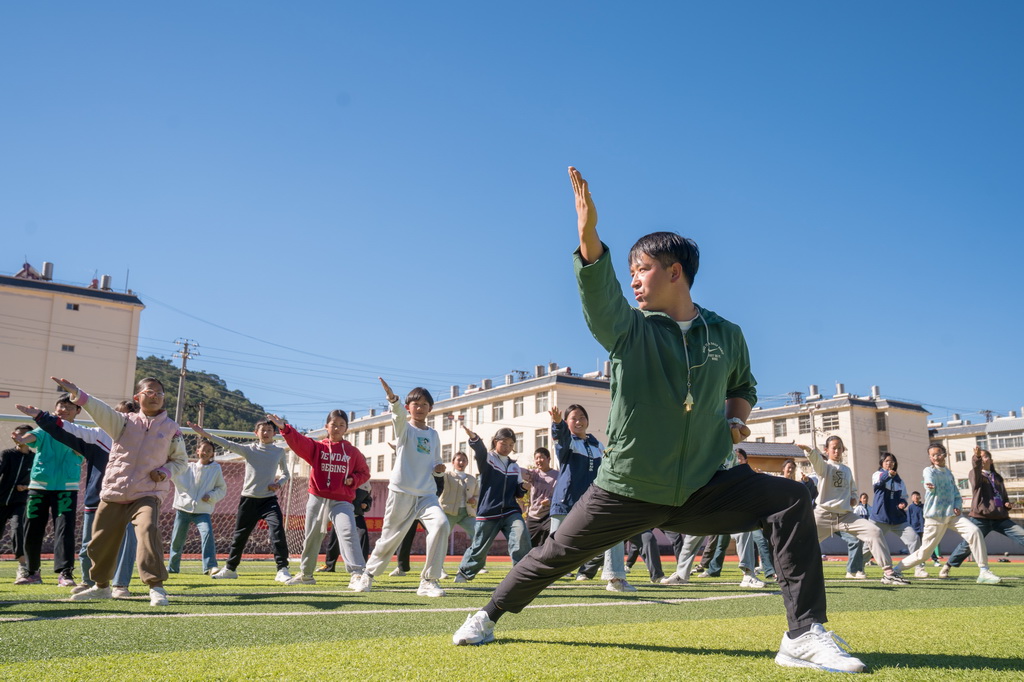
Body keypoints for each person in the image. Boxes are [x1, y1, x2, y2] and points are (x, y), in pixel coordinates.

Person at [454, 167, 865, 674]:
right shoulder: (631, 330)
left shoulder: (727, 333)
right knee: (554, 553)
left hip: (706, 483)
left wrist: (736, 420)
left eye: (642, 268)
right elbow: (601, 302)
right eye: (629, 271)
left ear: (675, 272)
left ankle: (802, 635)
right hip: (629, 485)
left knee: (791, 498)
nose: (633, 280)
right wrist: (588, 242)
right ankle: (488, 614)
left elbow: (743, 386)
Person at [56, 376, 187, 607]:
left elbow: (180, 461)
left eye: (159, 393)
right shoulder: (123, 422)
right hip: (115, 492)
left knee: (148, 529)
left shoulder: (171, 429)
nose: (155, 396)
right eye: (149, 392)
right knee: (100, 541)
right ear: (138, 397)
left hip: (148, 492)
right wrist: (79, 393)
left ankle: (156, 587)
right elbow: (100, 410)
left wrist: (165, 472)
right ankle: (101, 587)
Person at [15, 401, 140, 596]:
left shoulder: (136, 439)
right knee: (83, 541)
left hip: (74, 488)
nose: (121, 419)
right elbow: (32, 438)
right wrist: (25, 434)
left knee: (118, 540)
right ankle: (37, 571)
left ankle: (114, 583)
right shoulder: (93, 434)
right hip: (47, 488)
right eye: (117, 414)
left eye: (69, 407)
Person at [358, 380, 450, 597]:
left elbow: (435, 464)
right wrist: (393, 400)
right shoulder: (404, 429)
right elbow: (397, 416)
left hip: (426, 494)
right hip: (401, 492)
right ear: (409, 407)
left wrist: (439, 470)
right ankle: (367, 575)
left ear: (431, 409)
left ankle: (428, 580)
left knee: (441, 525)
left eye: (425, 404)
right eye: (415, 404)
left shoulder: (434, 435)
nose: (420, 408)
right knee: (389, 538)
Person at [270, 411, 370, 588]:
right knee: (312, 537)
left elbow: (364, 473)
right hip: (317, 498)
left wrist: (353, 480)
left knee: (348, 532)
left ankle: (357, 574)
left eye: (341, 424)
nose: (337, 427)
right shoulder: (318, 448)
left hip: (342, 501)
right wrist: (284, 428)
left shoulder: (353, 452)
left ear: (346, 428)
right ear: (327, 426)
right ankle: (306, 574)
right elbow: (299, 442)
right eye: (334, 424)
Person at [190, 420, 292, 582]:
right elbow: (226, 443)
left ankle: (282, 569)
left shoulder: (278, 452)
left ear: (274, 433)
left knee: (277, 530)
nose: (265, 433)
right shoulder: (249, 450)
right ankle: (230, 569)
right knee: (240, 536)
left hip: (269, 501)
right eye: (262, 430)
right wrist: (204, 434)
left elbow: (286, 473)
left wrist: (278, 484)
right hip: (248, 501)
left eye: (269, 430)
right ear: (255, 433)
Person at [800, 438, 908, 587]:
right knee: (802, 542)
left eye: (839, 448)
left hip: (846, 516)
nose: (837, 451)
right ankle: (792, 574)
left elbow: (854, 491)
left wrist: (853, 498)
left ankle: (889, 573)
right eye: (834, 448)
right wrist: (809, 451)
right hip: (823, 515)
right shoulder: (824, 467)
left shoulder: (847, 470)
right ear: (826, 450)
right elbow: (816, 462)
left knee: (874, 531)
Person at [548, 403, 633, 591]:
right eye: (573, 418)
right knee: (554, 546)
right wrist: (557, 423)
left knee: (614, 533)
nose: (578, 421)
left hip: (592, 502)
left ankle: (616, 579)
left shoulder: (597, 445)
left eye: (582, 417)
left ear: (587, 420)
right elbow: (560, 437)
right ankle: (540, 578)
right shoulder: (567, 442)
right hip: (566, 502)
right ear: (567, 422)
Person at [894, 445, 999, 584]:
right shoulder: (929, 471)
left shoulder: (949, 473)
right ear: (930, 458)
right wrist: (929, 485)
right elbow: (927, 479)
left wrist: (957, 506)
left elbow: (956, 493)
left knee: (974, 531)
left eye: (938, 454)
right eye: (933, 455)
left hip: (952, 516)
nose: (936, 457)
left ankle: (984, 571)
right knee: (924, 553)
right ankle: (895, 570)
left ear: (945, 454)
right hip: (935, 517)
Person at [13, 394, 84, 587]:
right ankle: (31, 571)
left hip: (66, 488)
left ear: (78, 411)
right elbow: (31, 437)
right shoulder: (45, 429)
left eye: (69, 406)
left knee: (65, 529)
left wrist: (80, 448)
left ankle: (65, 573)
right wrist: (21, 439)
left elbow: (84, 451)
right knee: (32, 527)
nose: (64, 409)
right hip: (39, 486)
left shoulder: (79, 432)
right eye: (61, 405)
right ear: (54, 408)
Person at [454, 425, 531, 582]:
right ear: (495, 441)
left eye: (511, 445)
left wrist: (523, 487)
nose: (507, 447)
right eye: (504, 443)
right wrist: (474, 438)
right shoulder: (488, 459)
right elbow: (480, 451)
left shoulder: (514, 467)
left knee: (521, 533)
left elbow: (518, 493)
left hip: (510, 511)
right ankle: (464, 572)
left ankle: (523, 573)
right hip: (489, 511)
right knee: (479, 546)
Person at [941, 446, 1024, 578]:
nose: (983, 458)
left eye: (985, 456)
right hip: (981, 518)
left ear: (991, 460)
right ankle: (948, 565)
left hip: (1000, 518)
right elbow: (976, 467)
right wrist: (977, 457)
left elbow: (1003, 495)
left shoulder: (997, 477)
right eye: (981, 457)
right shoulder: (976, 474)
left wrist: (1006, 504)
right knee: (968, 544)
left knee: (1022, 534)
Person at [167, 438, 227, 575]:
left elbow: (221, 489)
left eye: (209, 451)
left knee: (207, 535)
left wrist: (211, 496)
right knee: (177, 539)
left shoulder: (216, 469)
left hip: (203, 511)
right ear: (197, 451)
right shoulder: (187, 467)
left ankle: (210, 567)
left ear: (213, 454)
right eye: (203, 449)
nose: (205, 452)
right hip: (183, 509)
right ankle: (172, 567)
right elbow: (175, 476)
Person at [870, 453, 920, 560]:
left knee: (914, 538)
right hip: (879, 518)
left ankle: (919, 568)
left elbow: (904, 496)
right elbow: (878, 483)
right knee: (868, 545)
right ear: (882, 463)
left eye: (892, 461)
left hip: (897, 519)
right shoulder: (877, 474)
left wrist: (903, 503)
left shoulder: (899, 480)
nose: (889, 463)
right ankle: (857, 569)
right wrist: (888, 475)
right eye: (887, 461)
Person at [0, 425, 34, 581]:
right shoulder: (7, 454)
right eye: (19, 434)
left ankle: (22, 567)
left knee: (18, 528)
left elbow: (38, 480)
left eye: (25, 435)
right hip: (1, 500)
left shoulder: (34, 458)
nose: (21, 437)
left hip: (19, 502)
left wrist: (26, 486)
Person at [522, 447, 558, 548]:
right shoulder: (533, 474)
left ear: (548, 459)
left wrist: (550, 501)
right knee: (528, 546)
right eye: (536, 458)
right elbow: (518, 471)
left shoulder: (557, 475)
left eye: (541, 457)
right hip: (533, 516)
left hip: (548, 516)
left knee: (549, 543)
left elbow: (561, 495)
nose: (539, 460)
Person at [905, 490, 927, 577]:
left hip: (923, 529)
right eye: (914, 496)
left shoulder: (923, 506)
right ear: (912, 498)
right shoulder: (910, 507)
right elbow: (908, 519)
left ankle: (922, 563)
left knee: (923, 547)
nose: (916, 497)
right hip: (914, 529)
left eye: (917, 496)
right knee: (916, 548)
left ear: (920, 497)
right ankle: (916, 565)